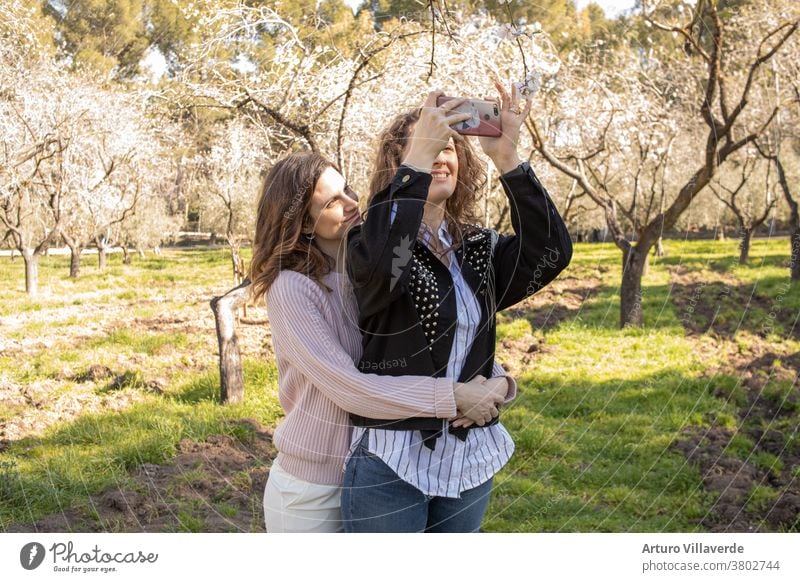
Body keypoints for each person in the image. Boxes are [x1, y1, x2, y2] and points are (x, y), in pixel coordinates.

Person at [342, 83, 573, 532]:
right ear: (400, 162)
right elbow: (384, 273)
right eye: (430, 143)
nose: (442, 155)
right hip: (392, 458)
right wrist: (415, 167)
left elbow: (551, 252)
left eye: (450, 146)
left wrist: (508, 160)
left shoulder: (477, 248)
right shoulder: (367, 241)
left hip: (467, 457)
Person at [249, 151, 517, 533]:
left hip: (383, 466)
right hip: (316, 487)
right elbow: (351, 390)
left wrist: (497, 383)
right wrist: (453, 397)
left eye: (347, 190)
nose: (351, 204)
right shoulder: (293, 289)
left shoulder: (373, 273)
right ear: (302, 224)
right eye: (331, 202)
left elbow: (432, 345)